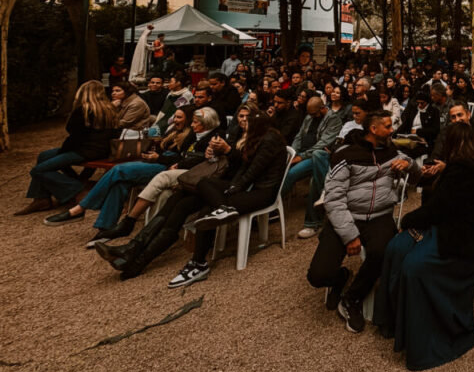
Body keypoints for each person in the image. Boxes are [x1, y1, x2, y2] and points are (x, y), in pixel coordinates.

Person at [96, 107, 288, 283]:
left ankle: (198, 263)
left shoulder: (266, 138)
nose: (243, 121)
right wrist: (215, 155)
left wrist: (231, 182)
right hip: (229, 184)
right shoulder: (242, 134)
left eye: (248, 118)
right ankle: (135, 253)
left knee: (206, 210)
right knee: (179, 201)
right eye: (241, 117)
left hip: (251, 189)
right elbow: (240, 168)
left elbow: (250, 171)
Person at [374, 122, 474, 371]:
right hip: (451, 227)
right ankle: (395, 322)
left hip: (463, 241)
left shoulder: (461, 171)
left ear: (454, 146)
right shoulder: (469, 165)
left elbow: (439, 207)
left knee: (413, 266)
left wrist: (408, 220)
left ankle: (415, 331)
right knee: (397, 248)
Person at [42, 105, 218, 240]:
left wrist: (159, 158)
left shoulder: (194, 135)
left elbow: (183, 158)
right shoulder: (178, 131)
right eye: (176, 116)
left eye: (180, 118)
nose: (175, 120)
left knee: (118, 170)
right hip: (160, 162)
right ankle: (106, 228)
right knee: (120, 182)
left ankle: (80, 208)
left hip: (166, 168)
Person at [306, 111, 413, 333]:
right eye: (387, 126)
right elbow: (333, 199)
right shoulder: (346, 154)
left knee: (383, 253)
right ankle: (339, 277)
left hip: (379, 217)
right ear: (373, 130)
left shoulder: (392, 151)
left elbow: (416, 171)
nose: (392, 130)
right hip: (347, 216)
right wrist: (350, 235)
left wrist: (409, 165)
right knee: (318, 276)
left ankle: (352, 298)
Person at [16, 81, 119, 216]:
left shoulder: (83, 110)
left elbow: (74, 135)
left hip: (84, 151)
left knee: (38, 171)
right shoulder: (109, 109)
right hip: (101, 150)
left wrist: (63, 151)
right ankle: (41, 198)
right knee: (44, 156)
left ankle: (78, 190)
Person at [283, 95, 345, 239]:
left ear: (322, 109)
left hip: (315, 157)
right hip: (303, 153)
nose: (311, 117)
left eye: (313, 114)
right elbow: (299, 136)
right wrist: (293, 154)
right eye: (309, 114)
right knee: (283, 170)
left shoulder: (333, 119)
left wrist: (301, 157)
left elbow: (323, 143)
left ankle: (312, 221)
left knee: (293, 173)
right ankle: (272, 204)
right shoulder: (309, 117)